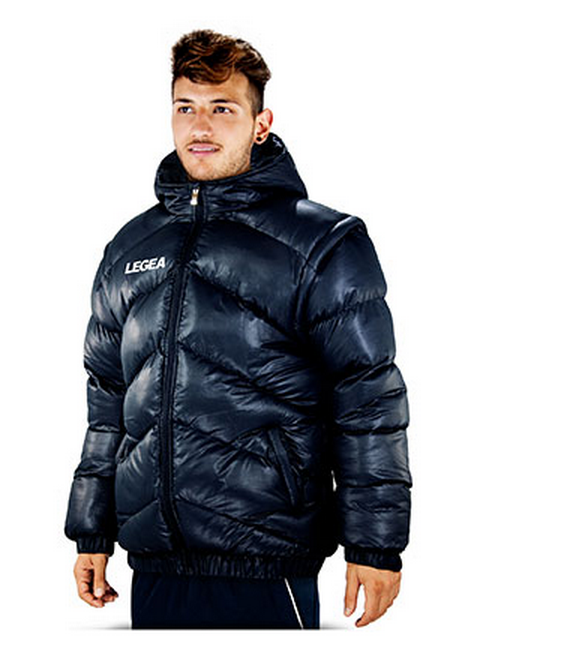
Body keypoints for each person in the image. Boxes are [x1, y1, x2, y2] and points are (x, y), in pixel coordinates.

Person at [64, 28, 412, 630]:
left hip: (269, 560)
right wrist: (90, 529)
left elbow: (368, 397)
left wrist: (375, 544)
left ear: (260, 123)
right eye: (186, 107)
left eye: (222, 108)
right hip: (155, 561)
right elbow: (107, 400)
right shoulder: (130, 247)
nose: (200, 126)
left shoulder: (322, 244)